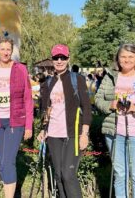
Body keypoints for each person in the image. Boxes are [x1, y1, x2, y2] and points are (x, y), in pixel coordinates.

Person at [95, 44, 135, 198]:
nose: (127, 60)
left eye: (131, 56)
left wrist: (134, 108)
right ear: (118, 59)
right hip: (115, 134)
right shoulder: (110, 77)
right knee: (120, 174)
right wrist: (109, 105)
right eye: (123, 56)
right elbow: (98, 99)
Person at [0, 36, 33, 198]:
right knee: (1, 161)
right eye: (2, 49)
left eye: (8, 49)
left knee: (7, 161)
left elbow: (28, 99)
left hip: (15, 121)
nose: (5, 52)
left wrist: (29, 125)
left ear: (12, 51)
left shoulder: (20, 69)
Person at [37, 44, 92, 198]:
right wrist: (43, 129)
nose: (59, 61)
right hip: (53, 134)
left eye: (63, 57)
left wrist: (85, 134)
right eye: (56, 58)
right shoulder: (48, 83)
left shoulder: (77, 79)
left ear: (68, 59)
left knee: (68, 174)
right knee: (59, 176)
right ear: (52, 59)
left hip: (73, 134)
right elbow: (45, 109)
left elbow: (87, 107)